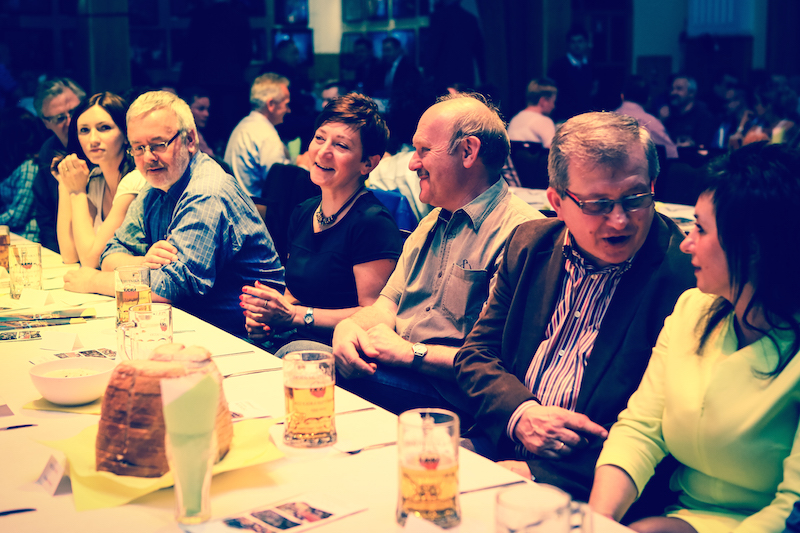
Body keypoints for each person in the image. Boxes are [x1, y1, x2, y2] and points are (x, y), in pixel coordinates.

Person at [453, 112, 695, 501]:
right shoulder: (530, 244)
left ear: (652, 186)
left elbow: (668, 430)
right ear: (557, 202)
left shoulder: (684, 277)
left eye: (635, 198)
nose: (620, 221)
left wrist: (541, 473)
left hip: (592, 486)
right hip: (497, 444)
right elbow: (475, 355)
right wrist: (521, 415)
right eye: (598, 204)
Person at [589, 141, 800, 533]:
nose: (686, 241)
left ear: (752, 246)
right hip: (685, 515)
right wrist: (598, 521)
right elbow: (640, 430)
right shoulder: (693, 309)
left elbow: (793, 508)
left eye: (701, 229)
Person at [328, 92, 542, 416]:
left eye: (424, 150)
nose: (413, 163)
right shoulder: (432, 219)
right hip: (402, 370)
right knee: (308, 357)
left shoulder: (522, 233)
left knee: (302, 359)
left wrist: (409, 352)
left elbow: (499, 360)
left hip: (455, 397)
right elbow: (386, 306)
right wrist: (349, 328)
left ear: (468, 151)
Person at [63, 90, 284, 337]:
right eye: (138, 148)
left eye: (159, 144)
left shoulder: (206, 191)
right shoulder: (155, 185)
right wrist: (143, 262)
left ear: (190, 139)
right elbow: (110, 253)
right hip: (190, 328)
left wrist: (91, 280)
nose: (148, 157)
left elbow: (169, 287)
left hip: (242, 338)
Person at [239, 93, 402, 348]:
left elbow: (374, 315)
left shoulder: (373, 223)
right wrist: (268, 319)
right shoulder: (304, 211)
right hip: (294, 340)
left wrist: (295, 316)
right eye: (319, 138)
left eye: (341, 145)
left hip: (340, 350)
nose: (323, 152)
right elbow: (294, 294)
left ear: (368, 163)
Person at [53, 92, 146, 268]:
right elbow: (69, 254)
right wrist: (65, 183)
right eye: (84, 130)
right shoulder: (97, 180)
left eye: (104, 128)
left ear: (127, 135)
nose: (93, 140)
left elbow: (91, 260)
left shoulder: (136, 180)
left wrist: (78, 191)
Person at [31, 77, 85, 252]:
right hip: (66, 251)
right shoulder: (48, 151)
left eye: (75, 111)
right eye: (60, 118)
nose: (70, 121)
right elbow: (46, 216)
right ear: (46, 122)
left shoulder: (100, 147)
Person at [224, 73, 291, 197]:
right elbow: (281, 183)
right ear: (271, 104)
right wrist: (303, 166)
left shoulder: (243, 125)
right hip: (255, 206)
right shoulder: (266, 134)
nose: (288, 110)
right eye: (286, 104)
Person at [0, 107, 48, 241]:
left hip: (26, 240)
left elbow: (17, 216)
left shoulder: (29, 167)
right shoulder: (14, 165)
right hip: (10, 237)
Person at [616, 75, 678, 158]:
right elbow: (672, 153)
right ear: (648, 99)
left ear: (622, 96)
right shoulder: (650, 122)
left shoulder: (607, 119)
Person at [548, 27, 596, 122]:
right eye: (573, 42)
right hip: (564, 116)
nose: (577, 45)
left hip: (586, 116)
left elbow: (594, 88)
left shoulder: (591, 65)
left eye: (580, 41)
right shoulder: (558, 66)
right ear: (568, 44)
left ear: (586, 43)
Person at [661, 75, 716, 148]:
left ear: (691, 93)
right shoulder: (669, 114)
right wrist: (661, 120)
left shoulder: (704, 116)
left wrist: (692, 147)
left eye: (679, 89)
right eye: (672, 89)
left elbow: (704, 146)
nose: (673, 93)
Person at [508, 78, 558, 148]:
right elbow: (553, 151)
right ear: (543, 101)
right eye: (553, 102)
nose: (553, 106)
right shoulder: (544, 121)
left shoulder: (514, 119)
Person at [182, 86, 214, 156]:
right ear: (187, 108)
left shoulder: (199, 134)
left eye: (208, 109)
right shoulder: (185, 135)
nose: (206, 114)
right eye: (201, 109)